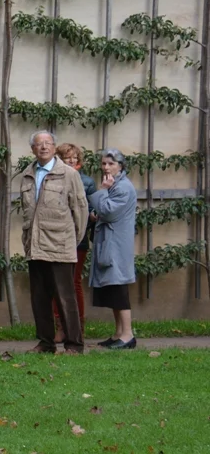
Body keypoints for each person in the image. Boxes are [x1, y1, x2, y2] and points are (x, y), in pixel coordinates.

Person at [20, 130, 88, 354]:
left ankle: (74, 344)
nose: (43, 147)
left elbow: (80, 210)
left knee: (65, 298)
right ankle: (46, 342)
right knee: (39, 299)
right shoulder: (27, 174)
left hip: (60, 244)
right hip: (35, 245)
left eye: (48, 143)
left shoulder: (68, 174)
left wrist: (71, 240)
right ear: (33, 149)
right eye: (39, 144)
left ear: (54, 147)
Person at [90, 149, 137, 350]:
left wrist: (102, 191)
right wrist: (95, 213)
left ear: (121, 166)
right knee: (112, 288)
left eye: (111, 163)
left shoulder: (123, 188)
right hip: (109, 244)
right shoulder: (115, 185)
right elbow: (99, 210)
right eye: (104, 164)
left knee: (118, 288)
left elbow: (107, 212)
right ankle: (118, 333)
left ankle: (128, 335)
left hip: (116, 246)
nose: (106, 167)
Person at [53, 143, 96, 343]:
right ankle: (60, 326)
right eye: (67, 157)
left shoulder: (87, 182)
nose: (72, 161)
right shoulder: (53, 178)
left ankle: (77, 326)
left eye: (75, 158)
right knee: (56, 283)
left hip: (78, 239)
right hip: (56, 238)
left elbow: (90, 212)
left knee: (74, 282)